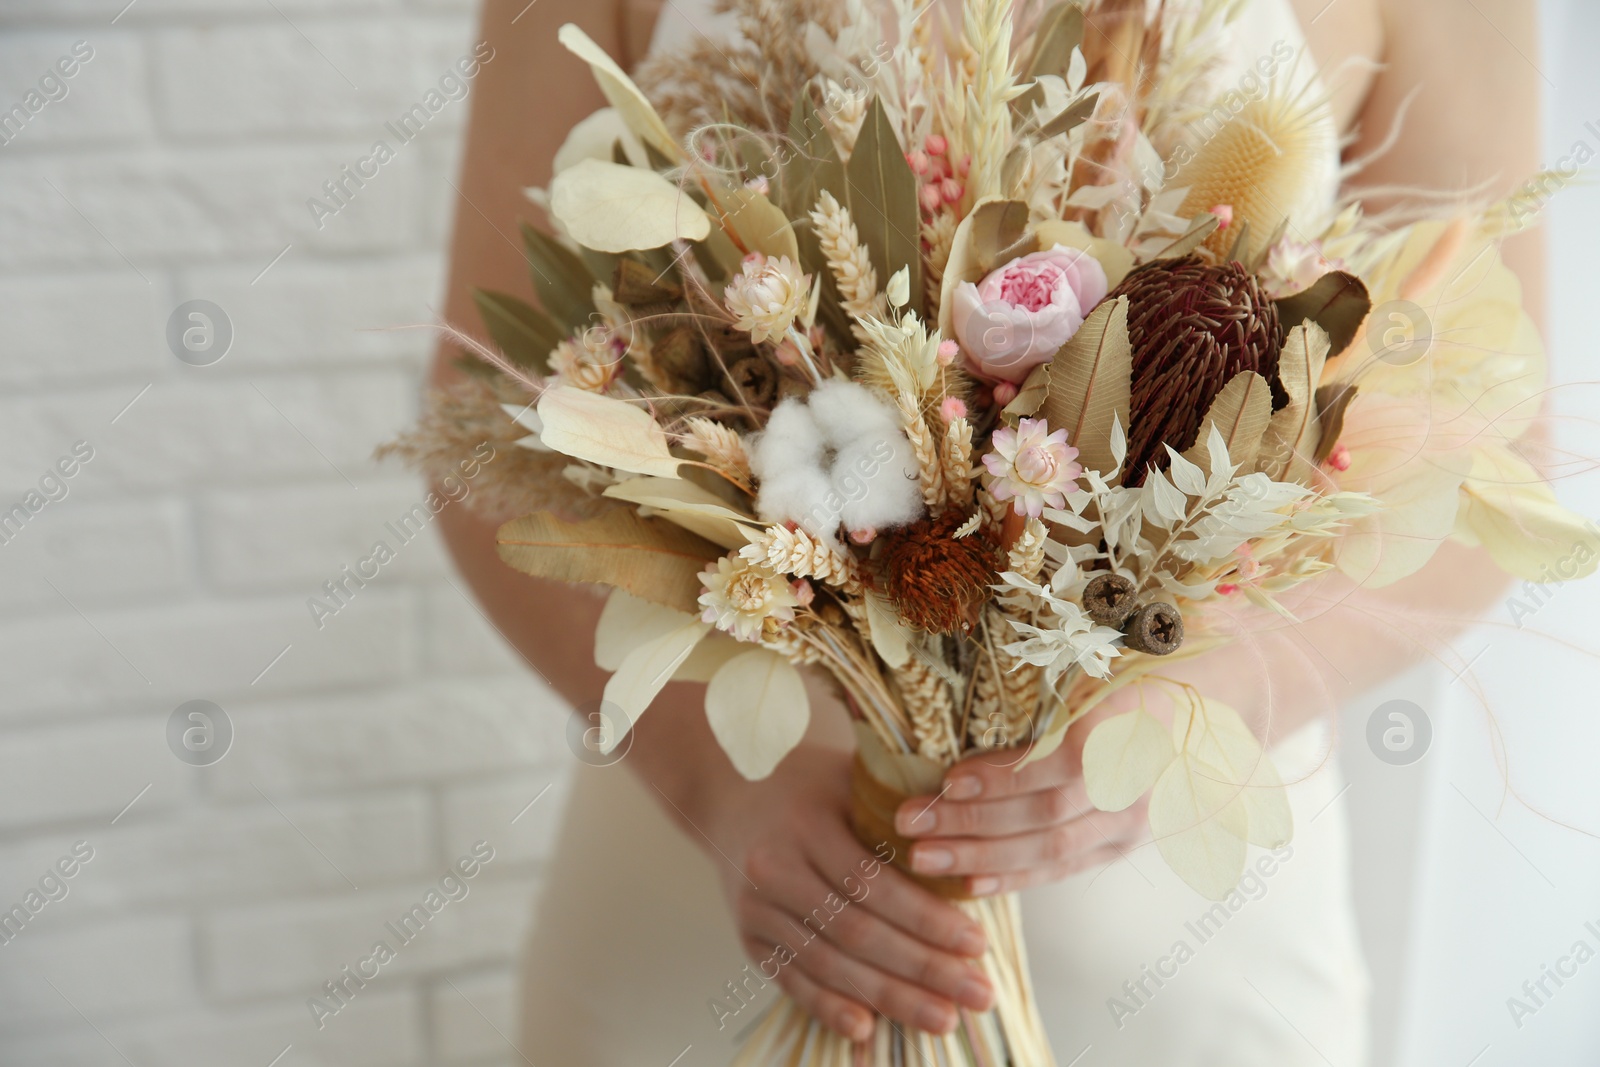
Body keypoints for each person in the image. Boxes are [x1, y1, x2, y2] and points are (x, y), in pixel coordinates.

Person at [430, 0, 1544, 1061]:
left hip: (1182, 947)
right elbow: (484, 416)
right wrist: (711, 791)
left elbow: (1484, 446)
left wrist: (1202, 714)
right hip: (721, 897)